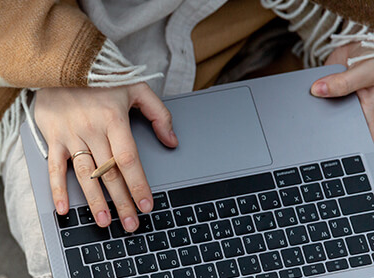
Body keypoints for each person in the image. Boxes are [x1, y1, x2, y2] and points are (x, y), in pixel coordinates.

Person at [31, 0, 374, 237]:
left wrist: (362, 38)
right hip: (74, 54)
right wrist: (65, 65)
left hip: (268, 34)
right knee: (56, 226)